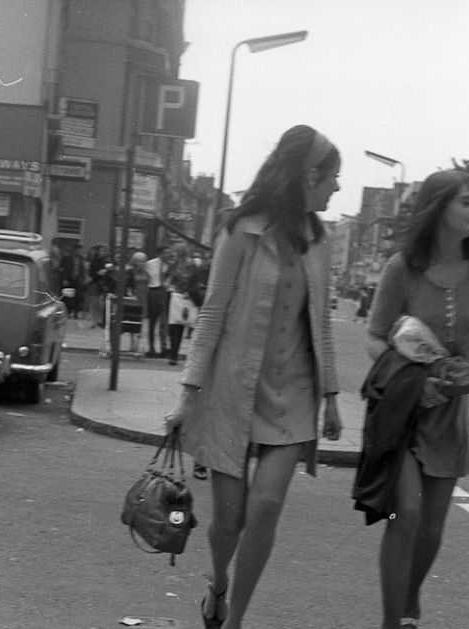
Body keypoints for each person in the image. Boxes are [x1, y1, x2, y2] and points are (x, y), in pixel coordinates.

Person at [164, 124, 342, 629]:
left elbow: (321, 324)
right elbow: (212, 314)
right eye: (333, 178)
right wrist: (187, 396)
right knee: (229, 521)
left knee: (266, 506)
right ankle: (218, 585)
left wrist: (331, 396)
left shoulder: (319, 241)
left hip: (294, 395)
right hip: (232, 392)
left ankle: (236, 619)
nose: (337, 188)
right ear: (310, 176)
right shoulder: (240, 230)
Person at [365, 169, 469, 629]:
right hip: (405, 410)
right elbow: (373, 338)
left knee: (430, 530)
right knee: (403, 512)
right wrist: (410, 377)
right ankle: (392, 621)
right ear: (439, 208)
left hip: (452, 413)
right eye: (467, 201)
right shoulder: (401, 268)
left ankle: (407, 602)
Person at [145, 247, 170, 358]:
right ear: (160, 253)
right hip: (153, 292)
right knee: (152, 321)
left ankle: (164, 348)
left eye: (169, 253)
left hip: (164, 292)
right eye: (166, 253)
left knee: (164, 322)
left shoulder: (169, 266)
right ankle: (151, 347)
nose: (168, 255)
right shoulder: (150, 264)